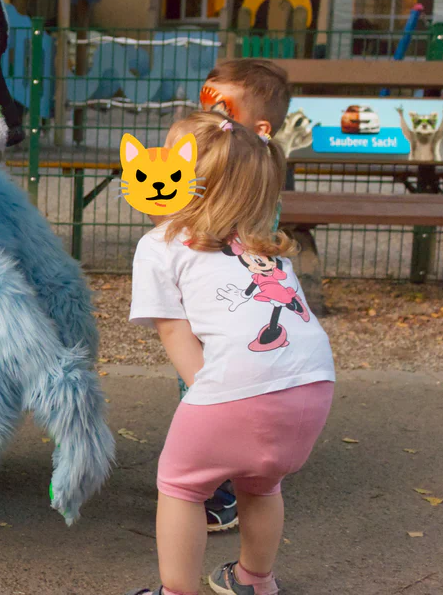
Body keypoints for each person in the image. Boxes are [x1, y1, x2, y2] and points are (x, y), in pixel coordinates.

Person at [127, 112, 335, 595]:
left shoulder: (160, 246)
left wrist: (208, 396)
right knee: (262, 484)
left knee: (180, 486)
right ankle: (254, 581)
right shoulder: (269, 248)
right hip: (313, 386)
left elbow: (175, 333)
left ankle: (176, 591)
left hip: (238, 389)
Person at [186, 59, 293, 532]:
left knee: (214, 392)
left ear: (260, 127)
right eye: (204, 105)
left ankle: (221, 492)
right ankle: (229, 475)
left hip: (235, 306)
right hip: (214, 304)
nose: (209, 119)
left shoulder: (253, 176)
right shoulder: (218, 160)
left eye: (221, 109)